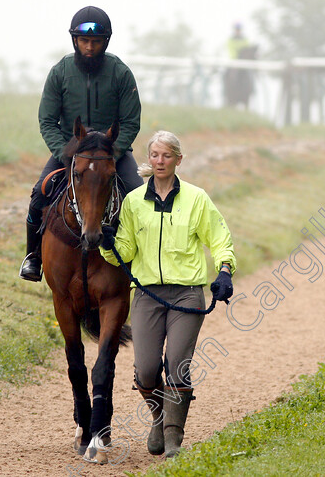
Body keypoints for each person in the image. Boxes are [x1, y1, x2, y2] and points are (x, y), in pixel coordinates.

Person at [100, 130, 235, 458]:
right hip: (146, 294)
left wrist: (225, 270)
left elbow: (218, 237)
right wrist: (108, 245)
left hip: (187, 294)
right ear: (149, 159)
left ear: (178, 159)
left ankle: (173, 436)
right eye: (155, 155)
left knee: (177, 364)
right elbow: (126, 250)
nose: (160, 161)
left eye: (167, 156)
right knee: (146, 370)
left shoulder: (196, 198)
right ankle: (159, 418)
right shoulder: (133, 202)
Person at [19, 6, 143, 281]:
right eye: (84, 41)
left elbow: (131, 121)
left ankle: (144, 262)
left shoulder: (121, 73)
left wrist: (114, 151)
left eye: (96, 42)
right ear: (74, 40)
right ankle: (33, 257)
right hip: (69, 152)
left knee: (139, 195)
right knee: (39, 194)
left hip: (111, 154)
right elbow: (47, 121)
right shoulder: (60, 72)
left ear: (105, 42)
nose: (89, 47)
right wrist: (64, 152)